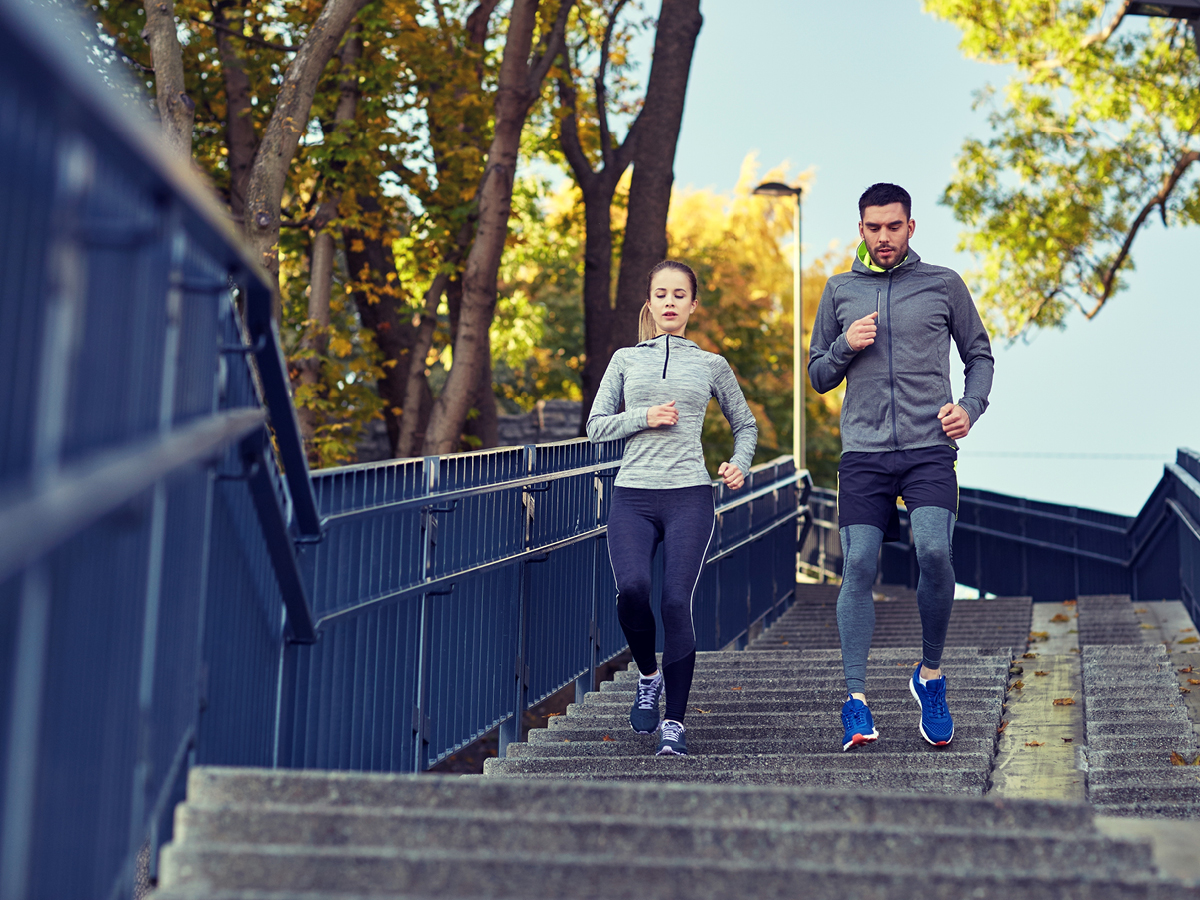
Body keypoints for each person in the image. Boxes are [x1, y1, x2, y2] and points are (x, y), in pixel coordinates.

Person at [808, 183, 994, 751]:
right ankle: (856, 702)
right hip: (864, 453)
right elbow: (817, 374)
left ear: (911, 226)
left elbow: (979, 354)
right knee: (859, 563)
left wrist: (969, 407)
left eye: (893, 226)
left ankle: (930, 676)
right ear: (859, 229)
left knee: (934, 550)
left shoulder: (943, 284)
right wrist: (843, 345)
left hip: (929, 447)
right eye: (873, 227)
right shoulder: (839, 290)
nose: (883, 237)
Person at [587, 260, 757, 756]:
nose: (669, 302)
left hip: (689, 494)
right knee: (633, 591)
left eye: (679, 295)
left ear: (692, 304)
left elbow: (745, 424)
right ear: (649, 300)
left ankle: (675, 725)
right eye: (660, 293)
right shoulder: (624, 359)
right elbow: (596, 426)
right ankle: (647, 675)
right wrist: (643, 417)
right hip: (633, 495)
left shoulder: (711, 365)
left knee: (674, 602)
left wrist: (738, 463)